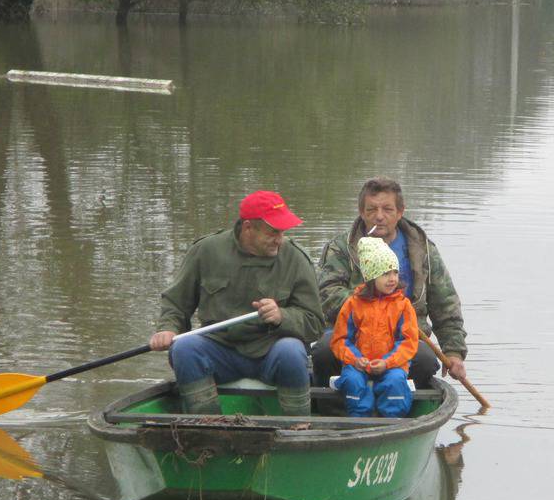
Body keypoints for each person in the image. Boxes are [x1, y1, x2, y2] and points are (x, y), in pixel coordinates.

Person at [149, 190, 324, 416]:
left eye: (282, 232)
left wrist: (282, 316)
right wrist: (167, 329)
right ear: (248, 228)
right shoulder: (206, 251)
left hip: (271, 351)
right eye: (273, 232)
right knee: (184, 348)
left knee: (292, 351)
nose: (280, 239)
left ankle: (298, 427)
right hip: (219, 349)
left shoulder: (295, 259)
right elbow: (176, 303)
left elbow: (315, 324)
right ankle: (208, 425)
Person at [314, 177, 467, 388]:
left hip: (404, 338)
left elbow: (446, 305)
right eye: (371, 210)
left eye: (387, 209)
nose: (379, 217)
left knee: (425, 360)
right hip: (351, 335)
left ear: (400, 212)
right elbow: (326, 296)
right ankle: (332, 407)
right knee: (322, 351)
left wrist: (454, 352)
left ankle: (401, 405)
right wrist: (374, 305)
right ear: (361, 212)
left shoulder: (423, 250)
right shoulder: (340, 248)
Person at [330, 237, 419, 417]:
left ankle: (393, 421)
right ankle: (358, 419)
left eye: (395, 272)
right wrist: (356, 360)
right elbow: (340, 340)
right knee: (352, 379)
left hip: (392, 365)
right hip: (359, 364)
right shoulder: (352, 304)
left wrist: (387, 362)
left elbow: (408, 342)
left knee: (395, 380)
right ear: (371, 276)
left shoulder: (403, 305)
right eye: (385, 273)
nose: (392, 278)